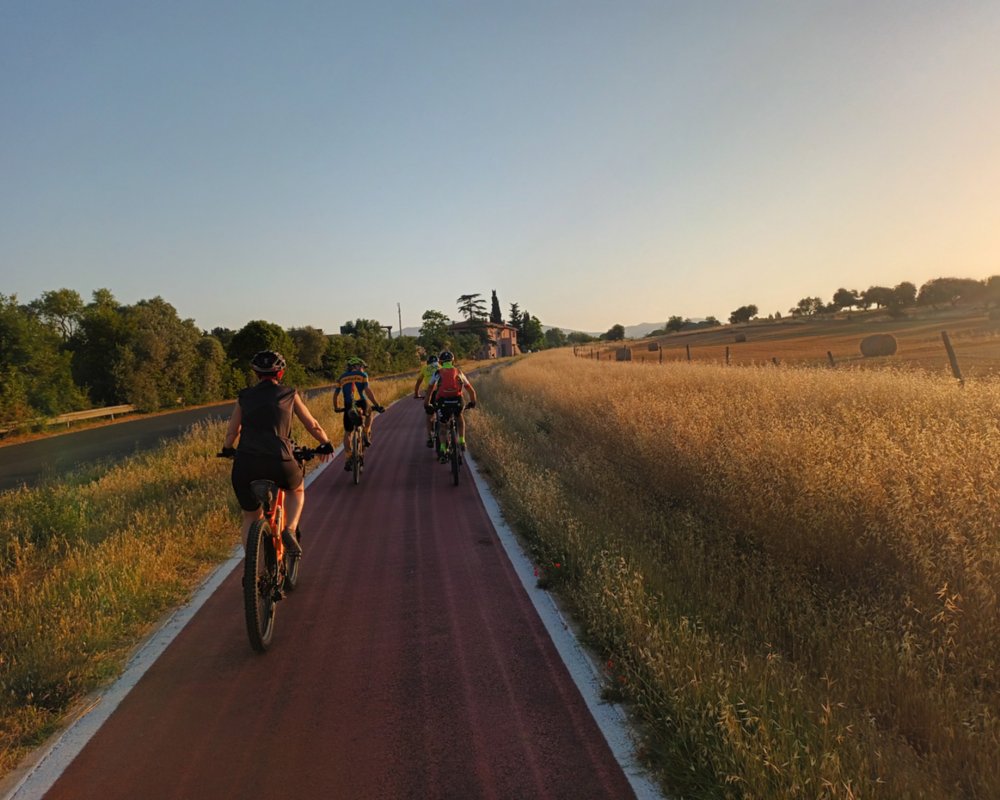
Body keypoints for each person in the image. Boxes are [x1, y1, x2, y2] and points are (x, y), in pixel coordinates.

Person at [222, 350, 333, 558]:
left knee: (250, 516)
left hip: (245, 463)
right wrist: (325, 442)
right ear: (280, 373)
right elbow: (313, 424)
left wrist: (227, 449)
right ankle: (289, 529)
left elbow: (232, 431)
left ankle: (254, 571)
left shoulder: (244, 397)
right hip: (280, 460)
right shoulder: (289, 394)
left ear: (256, 373)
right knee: (296, 490)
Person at [424, 350, 477, 462]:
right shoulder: (458, 371)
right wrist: (473, 402)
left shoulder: (438, 372)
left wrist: (427, 403)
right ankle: (462, 441)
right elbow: (470, 389)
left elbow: (430, 389)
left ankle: (443, 448)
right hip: (457, 400)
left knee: (443, 425)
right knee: (460, 418)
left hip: (442, 402)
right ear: (453, 361)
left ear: (441, 362)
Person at [333, 356, 384, 470]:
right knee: (370, 412)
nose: (363, 369)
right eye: (362, 367)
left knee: (348, 432)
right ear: (356, 366)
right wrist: (377, 404)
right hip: (361, 401)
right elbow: (367, 390)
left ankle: (348, 457)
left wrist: (336, 407)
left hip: (348, 405)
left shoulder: (341, 377)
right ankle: (366, 431)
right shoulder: (363, 375)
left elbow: (336, 394)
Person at [413, 353, 440, 447]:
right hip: (441, 392)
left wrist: (416, 394)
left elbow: (418, 382)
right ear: (437, 362)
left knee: (429, 415)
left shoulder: (425, 368)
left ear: (428, 362)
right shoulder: (440, 367)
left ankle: (429, 438)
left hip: (430, 393)